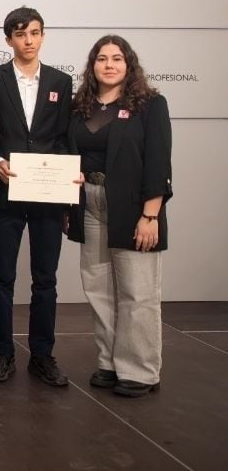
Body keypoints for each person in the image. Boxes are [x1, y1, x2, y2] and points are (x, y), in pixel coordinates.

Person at [67, 35, 171, 398]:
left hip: (133, 207)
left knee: (137, 291)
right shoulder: (79, 107)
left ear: (129, 65)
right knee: (98, 290)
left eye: (116, 58)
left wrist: (151, 215)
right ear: (92, 65)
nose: (109, 65)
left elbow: (159, 162)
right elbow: (71, 155)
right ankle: (109, 362)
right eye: (101, 58)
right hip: (89, 203)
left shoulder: (150, 105)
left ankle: (140, 370)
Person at [0, 7, 73, 387]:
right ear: (8, 41)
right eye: (21, 35)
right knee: (1, 278)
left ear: (43, 36)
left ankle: (42, 355)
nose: (29, 41)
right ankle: (3, 353)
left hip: (50, 195)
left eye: (35, 33)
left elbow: (66, 138)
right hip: (4, 192)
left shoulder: (61, 82)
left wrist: (67, 179)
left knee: (45, 279)